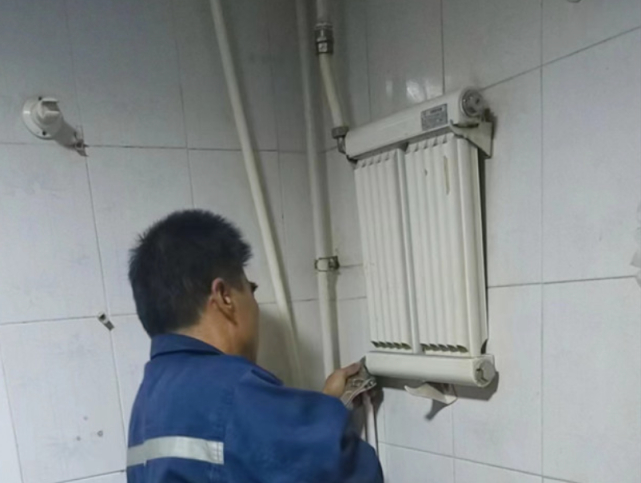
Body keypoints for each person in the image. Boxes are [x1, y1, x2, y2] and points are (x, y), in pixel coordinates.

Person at [126, 209, 383, 483]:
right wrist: (329, 417)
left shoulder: (148, 400)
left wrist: (327, 404)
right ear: (224, 296)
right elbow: (352, 470)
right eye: (251, 288)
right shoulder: (233, 390)